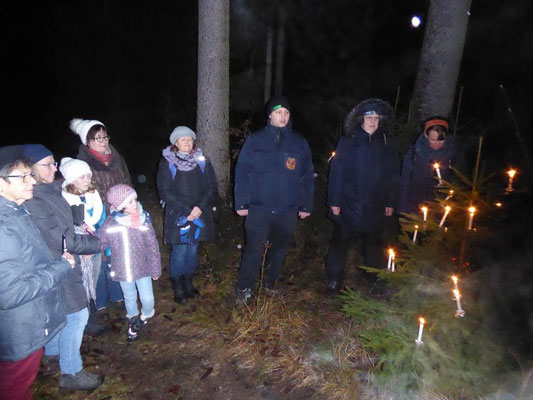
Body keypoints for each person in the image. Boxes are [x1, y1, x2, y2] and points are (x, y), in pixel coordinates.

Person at [22, 145, 103, 391]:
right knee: (77, 315)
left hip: (63, 261)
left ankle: (54, 352)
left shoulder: (52, 190)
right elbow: (59, 237)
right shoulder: (35, 198)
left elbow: (65, 220)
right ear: (31, 169)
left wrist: (78, 217)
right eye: (47, 164)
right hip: (57, 263)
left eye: (54, 163)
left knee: (61, 312)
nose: (54, 168)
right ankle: (71, 372)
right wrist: (97, 243)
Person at [0, 145, 75, 400]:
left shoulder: (17, 212)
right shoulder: (3, 226)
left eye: (29, 175)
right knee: (14, 388)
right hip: (18, 328)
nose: (30, 180)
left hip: (27, 322)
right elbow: (9, 293)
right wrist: (61, 267)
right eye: (21, 177)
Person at [234, 94, 315, 306]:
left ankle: (270, 283)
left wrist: (306, 204)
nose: (283, 116)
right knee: (254, 250)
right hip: (259, 208)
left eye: (286, 112)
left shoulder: (299, 142)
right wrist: (241, 203)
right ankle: (244, 288)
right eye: (279, 112)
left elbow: (307, 175)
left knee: (279, 250)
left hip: (287, 210)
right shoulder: (256, 140)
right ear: (270, 115)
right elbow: (242, 171)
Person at [325, 98, 399, 294]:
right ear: (361, 119)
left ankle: (375, 278)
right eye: (369, 117)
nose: (373, 121)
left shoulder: (387, 143)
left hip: (375, 204)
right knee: (340, 243)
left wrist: (391, 201)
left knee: (374, 246)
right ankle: (333, 280)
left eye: (376, 117)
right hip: (348, 203)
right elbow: (337, 172)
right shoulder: (348, 142)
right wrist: (334, 201)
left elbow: (393, 175)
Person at [71, 118, 128, 310]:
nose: (103, 141)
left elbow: (127, 181)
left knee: (118, 254)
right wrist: (106, 206)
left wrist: (127, 203)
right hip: (97, 216)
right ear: (88, 142)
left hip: (120, 212)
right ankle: (100, 300)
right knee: (100, 256)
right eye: (97, 138)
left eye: (105, 137)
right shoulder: (83, 164)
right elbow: (85, 190)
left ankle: (118, 294)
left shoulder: (117, 158)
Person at [156, 126, 217, 305]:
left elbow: (212, 187)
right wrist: (187, 210)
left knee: (193, 248)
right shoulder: (167, 162)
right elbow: (165, 191)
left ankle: (188, 280)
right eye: (183, 139)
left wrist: (200, 207)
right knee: (181, 249)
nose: (187, 142)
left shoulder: (202, 160)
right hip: (178, 214)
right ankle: (177, 284)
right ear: (175, 142)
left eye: (190, 139)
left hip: (199, 213)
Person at [97, 184, 161, 341]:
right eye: (130, 202)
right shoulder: (110, 223)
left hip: (143, 268)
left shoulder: (143, 220)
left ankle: (144, 317)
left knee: (148, 299)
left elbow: (153, 247)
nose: (135, 204)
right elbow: (100, 242)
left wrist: (155, 268)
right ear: (120, 206)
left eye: (135, 200)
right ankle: (133, 319)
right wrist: (88, 245)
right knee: (129, 296)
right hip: (122, 269)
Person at [399, 116, 456, 213]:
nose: (437, 144)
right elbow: (405, 181)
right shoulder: (415, 152)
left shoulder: (453, 153)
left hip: (441, 208)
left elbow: (459, 179)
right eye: (433, 140)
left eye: (441, 140)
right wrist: (403, 209)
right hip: (415, 206)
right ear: (426, 135)